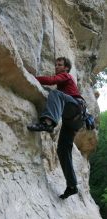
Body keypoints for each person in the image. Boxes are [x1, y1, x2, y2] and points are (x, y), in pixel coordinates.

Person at [27, 57, 86, 199]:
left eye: (59, 65)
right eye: (56, 65)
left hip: (76, 108)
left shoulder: (66, 76)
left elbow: (51, 80)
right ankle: (72, 186)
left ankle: (47, 123)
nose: (57, 67)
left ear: (66, 68)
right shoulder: (65, 83)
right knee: (62, 150)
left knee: (56, 93)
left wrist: (33, 77)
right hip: (73, 120)